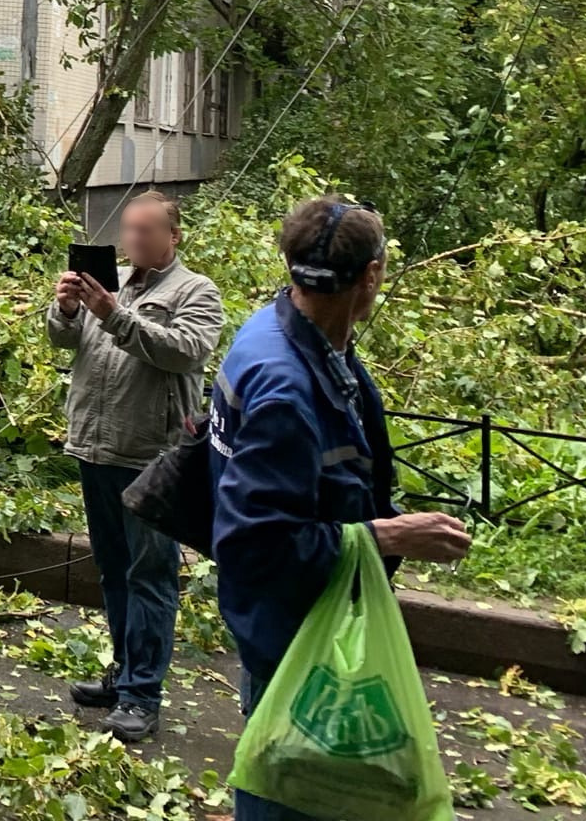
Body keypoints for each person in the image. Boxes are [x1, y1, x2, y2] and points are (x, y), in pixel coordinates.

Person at [210, 197, 473, 821]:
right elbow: (254, 544)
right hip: (294, 633)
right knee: (291, 787)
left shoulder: (275, 329)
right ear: (372, 276)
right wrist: (386, 536)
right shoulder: (285, 387)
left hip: (296, 623)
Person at [45, 187, 225, 744]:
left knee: (150, 575)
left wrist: (114, 315)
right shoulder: (113, 282)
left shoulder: (197, 291)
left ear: (173, 236)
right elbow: (63, 342)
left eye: (146, 231)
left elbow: (184, 350)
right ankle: (123, 677)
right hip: (95, 445)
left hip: (151, 453)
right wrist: (69, 309)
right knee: (114, 570)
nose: (133, 240)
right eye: (128, 230)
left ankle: (144, 695)